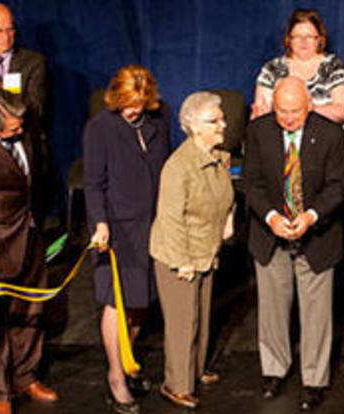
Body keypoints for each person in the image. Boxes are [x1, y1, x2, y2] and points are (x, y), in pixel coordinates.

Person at [244, 77, 344, 411]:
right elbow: (252, 183)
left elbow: (338, 187)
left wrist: (311, 216)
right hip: (270, 234)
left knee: (316, 314)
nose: (288, 119)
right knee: (272, 310)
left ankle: (314, 380)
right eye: (281, 112)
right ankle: (274, 371)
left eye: (294, 112)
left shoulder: (331, 134)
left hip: (316, 235)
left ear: (309, 106)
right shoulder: (259, 131)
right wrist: (273, 217)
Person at [0, 90, 57, 414]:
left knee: (31, 306)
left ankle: (25, 376)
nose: (20, 131)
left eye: (21, 125)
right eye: (13, 129)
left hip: (28, 230)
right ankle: (0, 392)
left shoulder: (23, 123)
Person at [84, 65, 171, 414]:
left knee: (140, 303)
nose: (132, 109)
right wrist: (100, 223)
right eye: (125, 103)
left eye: (138, 102)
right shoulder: (100, 129)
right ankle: (116, 376)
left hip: (152, 225)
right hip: (116, 228)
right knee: (117, 303)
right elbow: (93, 183)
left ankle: (127, 360)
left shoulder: (159, 119)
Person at [149, 91, 234, 410]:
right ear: (194, 127)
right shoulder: (178, 166)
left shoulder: (217, 158)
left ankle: (195, 370)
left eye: (221, 117)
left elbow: (226, 196)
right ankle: (176, 384)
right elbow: (170, 219)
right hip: (178, 254)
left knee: (200, 316)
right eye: (215, 120)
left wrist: (228, 219)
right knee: (183, 323)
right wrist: (182, 262)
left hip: (205, 249)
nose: (223, 124)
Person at [251, 8, 344, 123]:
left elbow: (341, 112)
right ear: (289, 39)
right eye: (298, 36)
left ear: (319, 39)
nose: (303, 41)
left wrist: (307, 108)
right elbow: (262, 113)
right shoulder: (272, 69)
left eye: (309, 36)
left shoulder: (334, 67)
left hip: (325, 135)